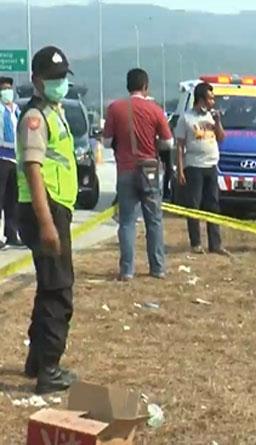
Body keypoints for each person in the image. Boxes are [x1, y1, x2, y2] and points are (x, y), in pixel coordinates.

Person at [16, 46, 79, 394]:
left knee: (48, 286)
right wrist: (46, 224)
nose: (59, 84)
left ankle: (38, 360)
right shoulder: (35, 118)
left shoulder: (54, 113)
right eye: (52, 79)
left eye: (62, 78)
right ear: (37, 80)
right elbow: (34, 171)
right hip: (46, 209)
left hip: (56, 208)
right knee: (58, 290)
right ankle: (50, 369)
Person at [103, 69, 173, 281]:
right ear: (146, 86)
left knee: (126, 221)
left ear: (127, 86)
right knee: (154, 221)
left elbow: (106, 142)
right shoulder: (155, 109)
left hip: (125, 169)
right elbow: (168, 142)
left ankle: (127, 270)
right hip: (149, 169)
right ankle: (158, 268)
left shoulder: (115, 108)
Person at [175, 82, 229, 255]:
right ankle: (196, 243)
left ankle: (216, 244)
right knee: (194, 205)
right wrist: (180, 170)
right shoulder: (187, 118)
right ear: (201, 99)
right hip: (194, 166)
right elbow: (180, 146)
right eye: (210, 98)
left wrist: (218, 122)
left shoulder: (212, 117)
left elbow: (221, 138)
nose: (213, 101)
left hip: (211, 165)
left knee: (213, 204)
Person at [0, 76, 22, 248]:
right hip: (1, 158)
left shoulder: (16, 110)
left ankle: (11, 233)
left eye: (9, 88)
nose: (7, 92)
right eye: (3, 89)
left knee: (13, 199)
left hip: (15, 158)